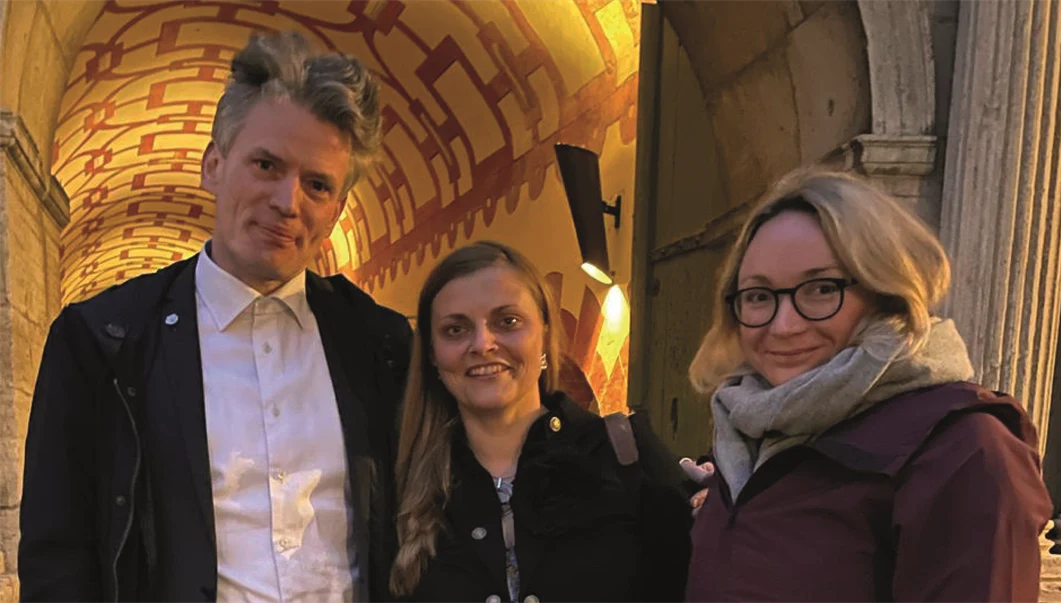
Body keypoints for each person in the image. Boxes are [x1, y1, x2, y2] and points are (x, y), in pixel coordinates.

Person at [19, 31, 411, 603]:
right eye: (266, 164)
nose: (287, 201)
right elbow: (58, 558)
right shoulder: (103, 343)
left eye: (318, 184)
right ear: (214, 165)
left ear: (336, 211)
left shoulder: (382, 346)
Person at [684, 168, 1052, 602]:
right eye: (759, 296)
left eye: (821, 289)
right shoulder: (746, 437)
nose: (782, 326)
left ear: (886, 293)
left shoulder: (962, 449)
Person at [389, 241, 692, 603]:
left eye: (508, 322)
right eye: (455, 330)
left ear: (546, 334)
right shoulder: (401, 485)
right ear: (433, 356)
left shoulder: (626, 459)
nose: (483, 344)